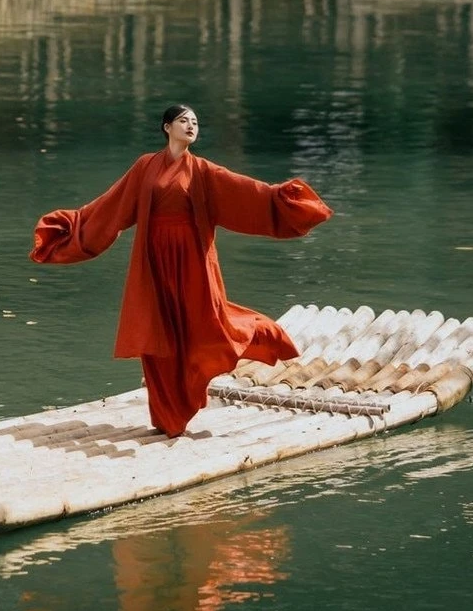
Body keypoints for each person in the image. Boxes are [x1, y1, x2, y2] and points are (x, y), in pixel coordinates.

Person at [30, 103, 331, 437]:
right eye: (184, 121)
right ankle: (167, 417)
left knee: (201, 325)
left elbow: (247, 194)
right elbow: (112, 205)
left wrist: (282, 198)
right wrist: (75, 226)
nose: (191, 126)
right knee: (158, 335)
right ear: (167, 127)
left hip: (192, 263)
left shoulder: (202, 171)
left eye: (195, 122)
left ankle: (259, 335)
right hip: (154, 263)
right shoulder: (145, 166)